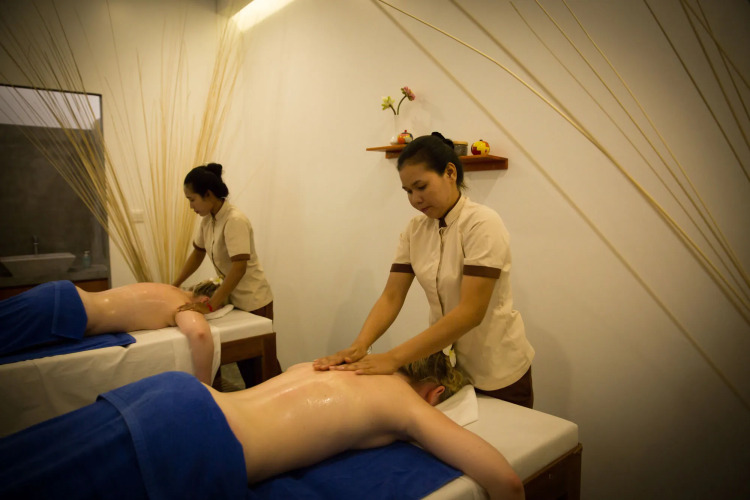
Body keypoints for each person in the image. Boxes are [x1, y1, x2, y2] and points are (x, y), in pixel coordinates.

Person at [0, 353, 525, 500]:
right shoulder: (407, 404)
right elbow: (505, 479)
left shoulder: (335, 362)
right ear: (436, 394)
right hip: (195, 440)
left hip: (178, 394)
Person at [314, 132, 535, 408]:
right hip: (449, 368)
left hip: (497, 370)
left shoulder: (482, 224)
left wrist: (393, 358)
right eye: (408, 191)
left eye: (421, 186)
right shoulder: (415, 230)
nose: (416, 199)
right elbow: (392, 296)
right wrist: (360, 345)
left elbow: (470, 312)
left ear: (450, 172)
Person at [172, 162, 278, 388]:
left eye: (192, 199)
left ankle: (279, 401)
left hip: (254, 299)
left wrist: (211, 305)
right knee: (245, 364)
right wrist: (175, 284)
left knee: (260, 367)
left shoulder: (234, 220)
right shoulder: (208, 221)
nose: (190, 206)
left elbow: (239, 269)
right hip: (234, 299)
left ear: (208, 195)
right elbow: (197, 254)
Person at [0, 279, 222, 384]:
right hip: (64, 311)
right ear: (205, 301)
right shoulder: (183, 305)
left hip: (61, 294)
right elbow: (200, 334)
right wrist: (206, 388)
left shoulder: (168, 287)